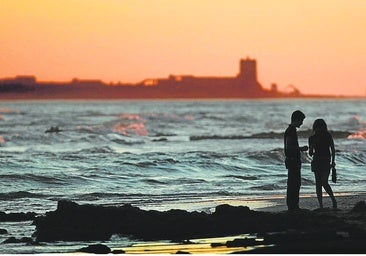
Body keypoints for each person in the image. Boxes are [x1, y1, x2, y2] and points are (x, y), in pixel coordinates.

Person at [308, 119, 337, 209]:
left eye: (320, 127)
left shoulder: (327, 136)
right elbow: (310, 153)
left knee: (324, 182)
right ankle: (321, 205)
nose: (319, 130)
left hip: (325, 161)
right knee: (318, 184)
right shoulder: (312, 138)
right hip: (316, 161)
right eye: (317, 128)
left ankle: (333, 200)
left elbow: (332, 149)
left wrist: (333, 162)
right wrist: (311, 147)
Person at [284, 110, 308, 211]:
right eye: (301, 120)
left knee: (294, 183)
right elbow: (289, 147)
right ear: (296, 119)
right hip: (293, 160)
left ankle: (293, 205)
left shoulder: (291, 130)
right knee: (294, 183)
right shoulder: (291, 131)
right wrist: (301, 149)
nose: (302, 123)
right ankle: (293, 206)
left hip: (292, 160)